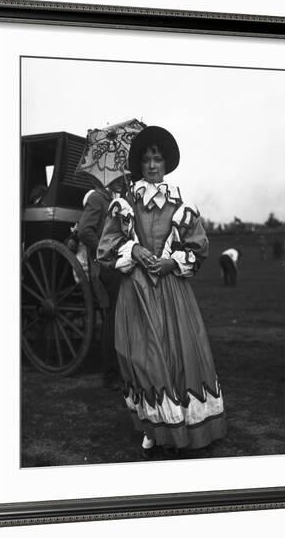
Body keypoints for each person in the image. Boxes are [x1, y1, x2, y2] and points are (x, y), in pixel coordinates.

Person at [97, 126, 226, 457]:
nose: (152, 165)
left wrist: (172, 262)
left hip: (171, 292)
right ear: (139, 165)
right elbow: (107, 246)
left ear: (166, 163)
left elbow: (198, 246)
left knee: (176, 355)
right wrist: (135, 251)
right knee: (142, 357)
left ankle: (182, 425)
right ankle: (154, 427)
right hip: (137, 293)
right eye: (146, 160)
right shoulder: (125, 204)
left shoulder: (179, 203)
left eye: (158, 159)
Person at [77, 175, 127, 390]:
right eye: (119, 177)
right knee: (113, 317)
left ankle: (123, 367)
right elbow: (84, 230)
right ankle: (111, 374)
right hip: (104, 267)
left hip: (118, 263)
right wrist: (105, 249)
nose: (123, 181)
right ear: (109, 179)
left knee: (122, 315)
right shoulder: (98, 198)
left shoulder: (118, 199)